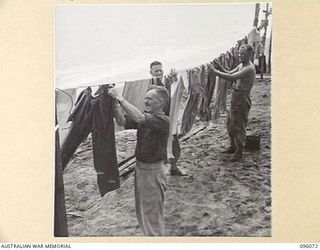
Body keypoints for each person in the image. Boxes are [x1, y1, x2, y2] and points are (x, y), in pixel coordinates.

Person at [108, 85, 169, 236]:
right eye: (145, 98)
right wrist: (114, 105)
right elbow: (122, 121)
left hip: (153, 171)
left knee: (152, 215)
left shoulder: (162, 120)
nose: (146, 101)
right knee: (142, 211)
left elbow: (139, 118)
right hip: (141, 169)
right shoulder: (146, 118)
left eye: (150, 99)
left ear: (160, 103)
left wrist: (120, 98)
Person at [212, 44, 256, 162]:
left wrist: (215, 72)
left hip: (242, 99)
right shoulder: (242, 65)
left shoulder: (249, 68)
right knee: (230, 123)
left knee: (239, 125)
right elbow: (229, 72)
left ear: (250, 55)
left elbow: (231, 77)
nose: (240, 56)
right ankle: (232, 146)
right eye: (239, 53)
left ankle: (239, 151)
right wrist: (219, 66)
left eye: (243, 54)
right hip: (235, 97)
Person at [149, 61, 185, 176]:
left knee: (175, 146)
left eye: (160, 70)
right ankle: (158, 173)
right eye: (156, 71)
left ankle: (174, 168)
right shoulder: (150, 86)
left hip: (169, 119)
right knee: (157, 150)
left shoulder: (166, 81)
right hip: (157, 122)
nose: (159, 73)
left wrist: (174, 78)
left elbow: (174, 89)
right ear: (151, 72)